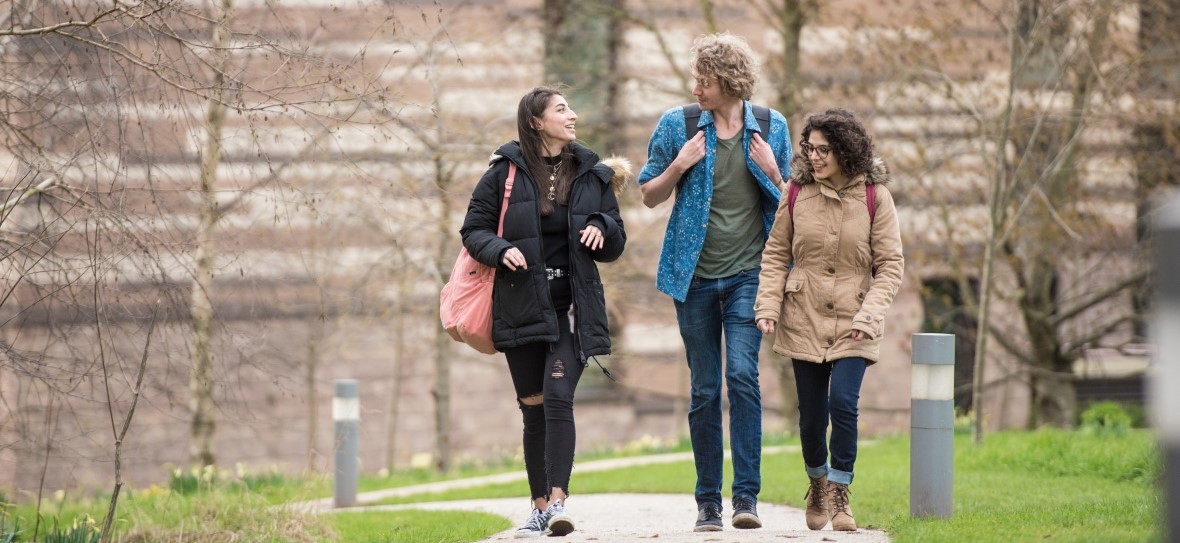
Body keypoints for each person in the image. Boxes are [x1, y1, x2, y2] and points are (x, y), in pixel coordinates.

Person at [637, 32, 792, 532]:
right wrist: (680, 164)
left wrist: (774, 171)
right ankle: (708, 502)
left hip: (752, 273)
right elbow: (648, 195)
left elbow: (796, 209)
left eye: (703, 80)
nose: (696, 88)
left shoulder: (772, 128)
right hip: (695, 278)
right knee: (705, 389)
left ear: (727, 82)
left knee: (742, 377)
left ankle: (746, 496)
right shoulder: (677, 125)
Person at [459, 86, 627, 538]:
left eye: (571, 107)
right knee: (532, 408)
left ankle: (557, 502)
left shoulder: (592, 172)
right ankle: (537, 508)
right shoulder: (502, 174)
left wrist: (600, 226)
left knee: (557, 396)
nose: (573, 115)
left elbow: (616, 238)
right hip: (521, 306)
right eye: (561, 109)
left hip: (571, 308)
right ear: (536, 121)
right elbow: (472, 230)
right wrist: (499, 249)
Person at [754, 108, 904, 532]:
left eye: (824, 150)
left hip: (857, 318)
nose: (814, 157)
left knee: (844, 404)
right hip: (803, 315)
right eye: (810, 149)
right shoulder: (798, 193)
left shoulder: (876, 197)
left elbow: (891, 265)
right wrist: (767, 307)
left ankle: (840, 492)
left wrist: (870, 315)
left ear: (846, 151)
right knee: (812, 416)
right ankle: (817, 482)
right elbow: (777, 253)